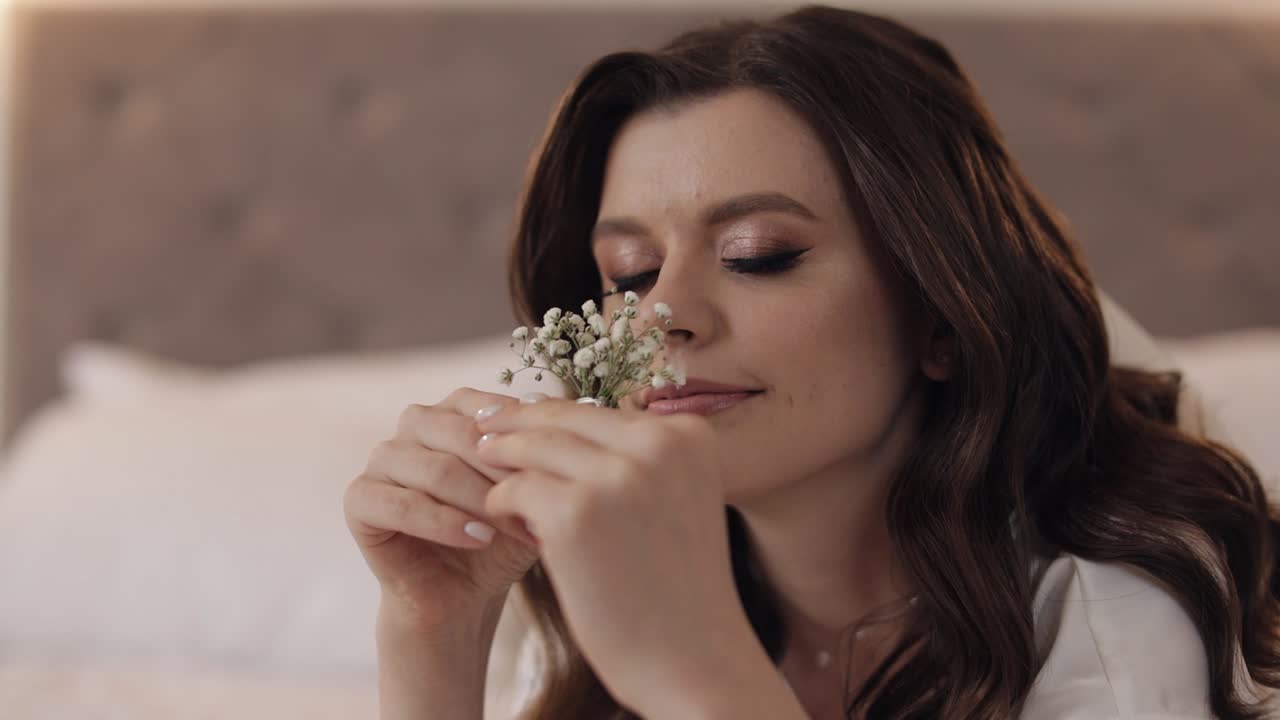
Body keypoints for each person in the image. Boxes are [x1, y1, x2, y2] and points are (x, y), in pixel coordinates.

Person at [342, 5, 1280, 719]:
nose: (660, 317)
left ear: (941, 315)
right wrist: (436, 635)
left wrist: (691, 665)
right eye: (628, 274)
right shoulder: (582, 575)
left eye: (757, 255)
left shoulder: (1127, 605)